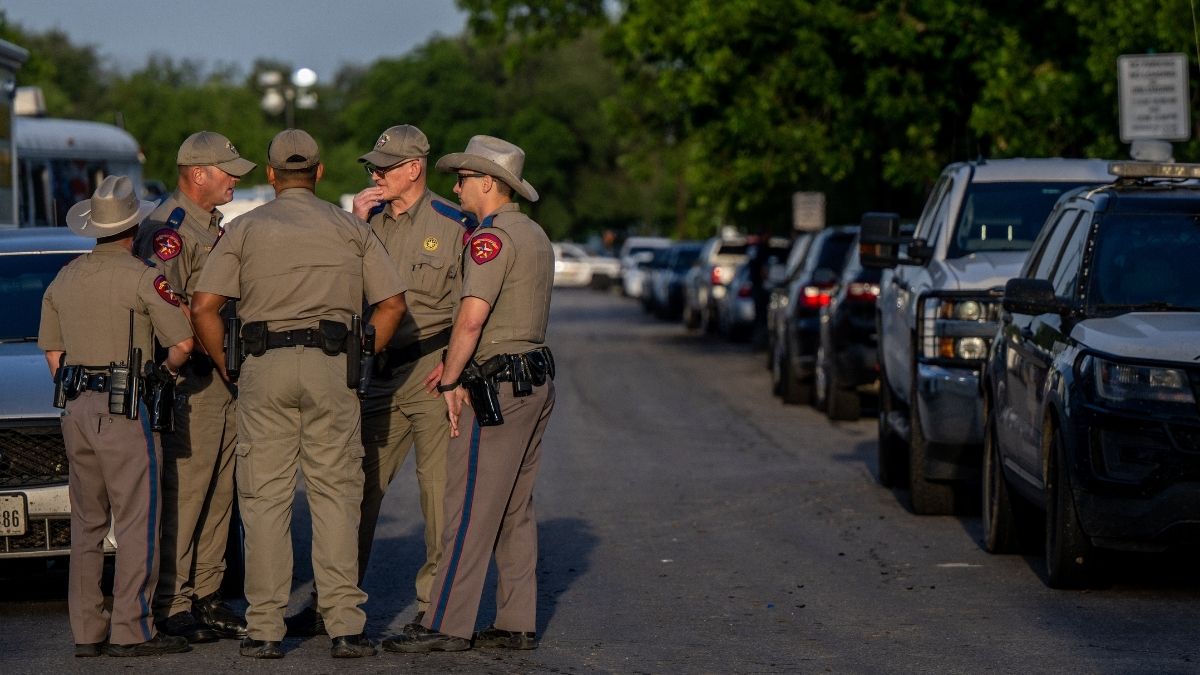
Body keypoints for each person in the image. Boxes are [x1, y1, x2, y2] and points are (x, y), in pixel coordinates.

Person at [190, 129, 407, 660]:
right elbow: (393, 303)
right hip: (333, 366)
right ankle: (345, 626)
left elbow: (202, 307)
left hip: (262, 368)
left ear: (269, 175)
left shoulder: (244, 229)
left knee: (265, 499)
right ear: (319, 172)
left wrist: (230, 367)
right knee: (336, 494)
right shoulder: (348, 228)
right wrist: (363, 353)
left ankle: (264, 627)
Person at [286, 124, 476, 637]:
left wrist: (460, 371)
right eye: (372, 168)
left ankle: (434, 608)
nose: (375, 175)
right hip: (379, 373)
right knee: (353, 490)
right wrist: (353, 225)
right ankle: (332, 604)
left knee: (438, 496)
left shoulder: (454, 222)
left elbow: (473, 304)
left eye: (385, 167)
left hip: (433, 369)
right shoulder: (363, 225)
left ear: (414, 168)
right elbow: (339, 290)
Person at [381, 135, 556, 654]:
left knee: (470, 507)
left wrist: (452, 378)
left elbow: (471, 318)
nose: (454, 186)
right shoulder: (535, 234)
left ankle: (444, 624)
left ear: (489, 184)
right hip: (535, 377)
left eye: (463, 178)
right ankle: (515, 621)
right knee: (513, 508)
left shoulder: (491, 238)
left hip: (498, 383)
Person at [38, 175, 195, 657]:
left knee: (85, 523)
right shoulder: (144, 277)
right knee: (136, 521)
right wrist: (160, 376)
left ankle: (87, 632)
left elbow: (54, 355)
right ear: (134, 228)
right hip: (125, 406)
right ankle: (131, 628)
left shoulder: (65, 277)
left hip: (76, 408)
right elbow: (183, 345)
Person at [133, 130, 255, 644]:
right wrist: (216, 355)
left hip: (224, 376)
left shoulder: (210, 227)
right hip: (194, 380)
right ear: (198, 173)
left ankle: (208, 595)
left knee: (219, 491)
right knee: (185, 493)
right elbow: (169, 308)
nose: (235, 179)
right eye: (227, 171)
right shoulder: (171, 230)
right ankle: (173, 600)